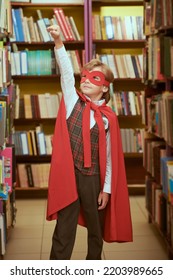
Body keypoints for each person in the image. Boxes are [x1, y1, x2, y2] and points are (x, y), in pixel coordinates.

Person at [46, 25, 133, 260]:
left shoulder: (108, 119)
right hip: (69, 175)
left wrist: (106, 188)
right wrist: (58, 42)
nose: (84, 81)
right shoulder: (73, 101)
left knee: (96, 229)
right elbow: (66, 72)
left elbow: (108, 157)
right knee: (64, 228)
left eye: (93, 78)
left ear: (104, 87)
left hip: (92, 179)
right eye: (83, 77)